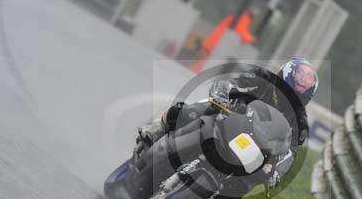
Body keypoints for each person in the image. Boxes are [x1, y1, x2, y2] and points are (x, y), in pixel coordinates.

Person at [135, 57, 319, 188]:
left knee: (250, 181)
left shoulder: (300, 123)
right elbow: (232, 83)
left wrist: (277, 171)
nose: (291, 97)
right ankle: (156, 128)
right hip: (227, 116)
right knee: (196, 110)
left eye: (299, 94)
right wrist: (222, 94)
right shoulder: (263, 78)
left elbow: (290, 152)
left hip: (252, 146)